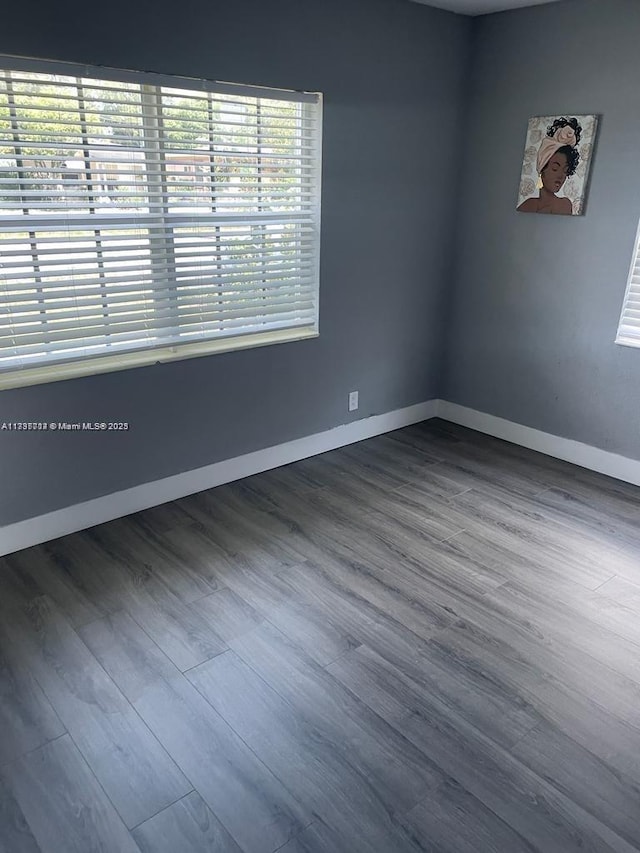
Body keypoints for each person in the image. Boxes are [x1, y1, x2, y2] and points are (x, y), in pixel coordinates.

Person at [517, 117, 582, 215]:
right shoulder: (528, 205)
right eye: (555, 168)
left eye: (565, 170)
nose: (561, 176)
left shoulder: (564, 204)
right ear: (542, 169)